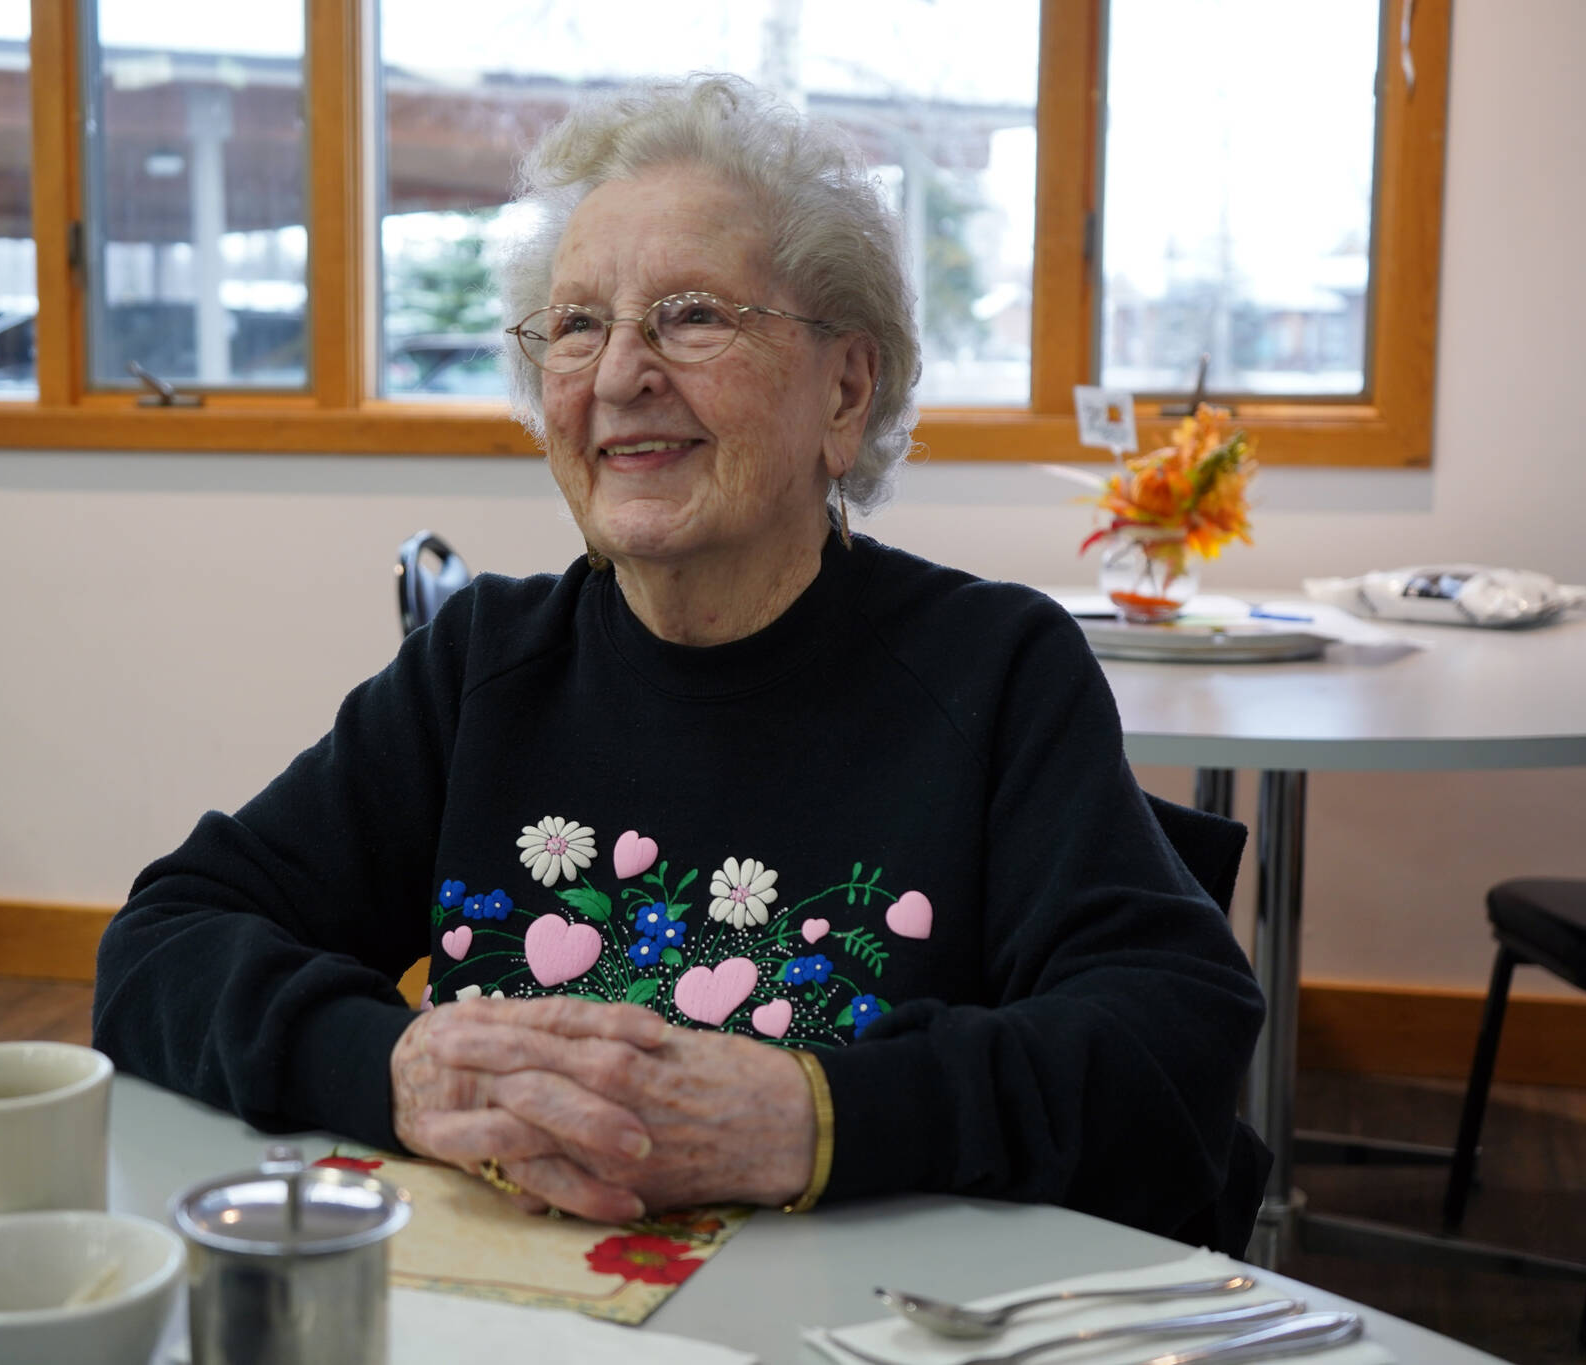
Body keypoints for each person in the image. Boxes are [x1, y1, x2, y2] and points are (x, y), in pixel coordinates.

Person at [93, 74, 1267, 1249]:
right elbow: (163, 943)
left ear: (843, 389)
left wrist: (810, 1117)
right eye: (576, 325)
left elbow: (1171, 1039)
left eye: (691, 316)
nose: (615, 376)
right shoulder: (482, 668)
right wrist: (396, 1066)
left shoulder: (991, 671)